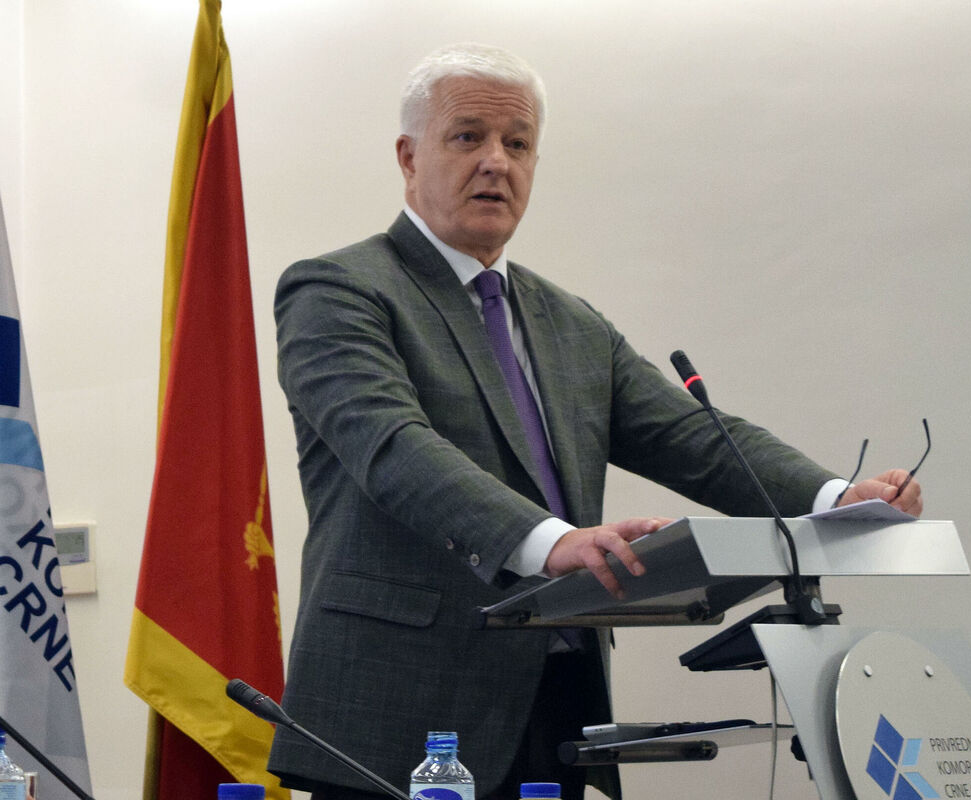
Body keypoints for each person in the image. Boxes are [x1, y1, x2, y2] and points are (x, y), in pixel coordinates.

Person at [266, 43, 922, 800]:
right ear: (409, 157)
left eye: (518, 144)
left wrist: (833, 497)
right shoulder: (337, 290)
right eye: (468, 136)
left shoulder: (570, 322)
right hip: (398, 708)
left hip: (557, 700)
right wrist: (553, 543)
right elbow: (392, 447)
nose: (496, 162)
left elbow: (692, 438)